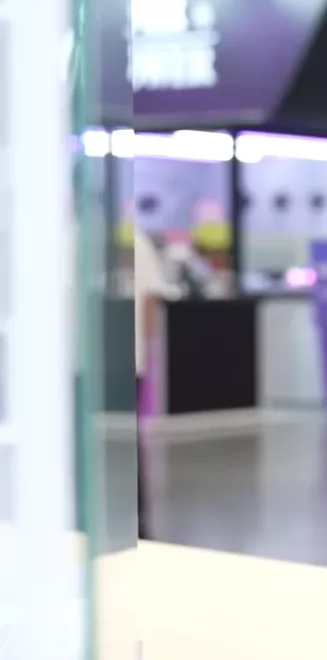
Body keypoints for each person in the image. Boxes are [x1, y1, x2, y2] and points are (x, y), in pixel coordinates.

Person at [133, 227, 181, 539]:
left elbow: (151, 299)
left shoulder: (133, 241)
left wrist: (143, 350)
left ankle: (137, 522)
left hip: (124, 361)